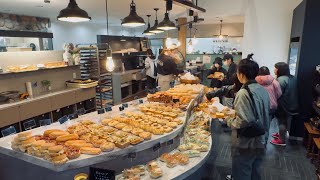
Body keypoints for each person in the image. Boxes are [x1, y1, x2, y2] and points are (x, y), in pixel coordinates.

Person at [225, 54, 270, 180]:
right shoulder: (262, 90)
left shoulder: (243, 93)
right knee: (255, 171)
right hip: (261, 138)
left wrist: (228, 120)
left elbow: (243, 121)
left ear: (241, 74)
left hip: (246, 142)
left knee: (242, 172)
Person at [270, 62, 299, 146]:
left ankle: (281, 140)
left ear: (280, 70)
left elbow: (277, 94)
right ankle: (280, 135)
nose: (274, 70)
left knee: (282, 121)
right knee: (285, 121)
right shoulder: (293, 78)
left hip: (284, 105)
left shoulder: (281, 79)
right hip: (292, 104)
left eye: (276, 68)